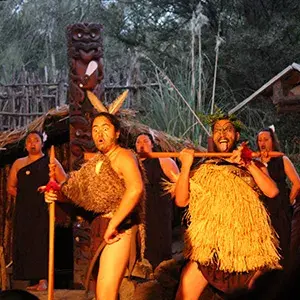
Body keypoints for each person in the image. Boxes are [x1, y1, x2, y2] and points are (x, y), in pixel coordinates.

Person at [173, 116, 281, 300]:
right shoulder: (203, 167)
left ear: (237, 135)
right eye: (217, 130)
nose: (222, 134)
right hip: (211, 251)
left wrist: (246, 162)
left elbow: (272, 192)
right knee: (184, 294)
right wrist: (185, 167)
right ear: (213, 137)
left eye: (228, 129)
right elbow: (182, 201)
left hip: (250, 251)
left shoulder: (253, 163)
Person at [45, 112, 144, 300]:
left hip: (120, 228)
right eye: (95, 129)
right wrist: (55, 192)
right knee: (101, 294)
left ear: (117, 133)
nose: (100, 133)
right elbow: (76, 192)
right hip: (100, 227)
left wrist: (114, 224)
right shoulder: (95, 163)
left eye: (105, 128)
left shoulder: (123, 156)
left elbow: (136, 189)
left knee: (106, 294)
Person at [6, 131, 67, 291]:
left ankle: (43, 280)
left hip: (44, 208)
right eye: (29, 141)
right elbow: (11, 187)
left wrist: (51, 190)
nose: (32, 143)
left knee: (42, 240)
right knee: (25, 241)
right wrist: (26, 197)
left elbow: (65, 183)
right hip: (24, 209)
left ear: (42, 143)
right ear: (25, 145)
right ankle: (29, 279)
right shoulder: (19, 163)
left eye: (36, 140)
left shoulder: (51, 162)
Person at [257, 128, 300, 268]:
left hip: (281, 207)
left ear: (272, 141)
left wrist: (289, 201)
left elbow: (297, 183)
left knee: (282, 243)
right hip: (263, 208)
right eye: (260, 140)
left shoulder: (282, 159)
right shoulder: (255, 161)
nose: (262, 143)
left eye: (266, 139)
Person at [135, 133, 179, 270]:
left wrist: (166, 197)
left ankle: (163, 276)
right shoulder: (132, 163)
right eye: (138, 142)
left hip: (160, 211)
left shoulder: (163, 160)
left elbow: (178, 182)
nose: (142, 144)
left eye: (145, 141)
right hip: (140, 213)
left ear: (152, 144)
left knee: (160, 246)